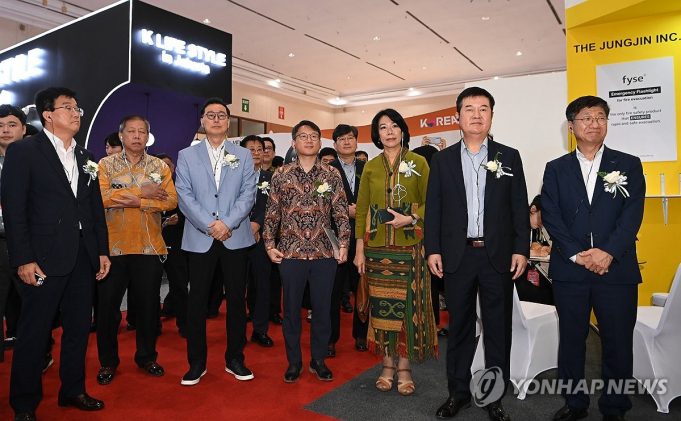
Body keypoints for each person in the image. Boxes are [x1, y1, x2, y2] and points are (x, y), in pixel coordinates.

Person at [1, 87, 111, 420]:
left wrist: (102, 251)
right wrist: (23, 258)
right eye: (68, 107)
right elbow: (15, 210)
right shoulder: (24, 151)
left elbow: (94, 209)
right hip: (42, 258)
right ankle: (24, 404)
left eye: (78, 108)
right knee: (34, 332)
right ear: (48, 114)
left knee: (78, 328)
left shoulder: (87, 156)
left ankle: (73, 390)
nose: (76, 113)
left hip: (82, 256)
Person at [425, 87, 529, 421]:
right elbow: (434, 209)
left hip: (497, 256)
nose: (477, 115)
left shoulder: (508, 156)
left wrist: (521, 249)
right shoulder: (442, 160)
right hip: (458, 255)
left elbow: (519, 207)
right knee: (459, 327)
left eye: (484, 109)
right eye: (469, 109)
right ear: (458, 116)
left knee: (498, 328)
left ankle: (494, 397)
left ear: (492, 116)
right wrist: (433, 249)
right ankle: (458, 393)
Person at [541, 95, 645, 421]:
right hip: (571, 271)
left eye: (600, 117)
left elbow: (632, 215)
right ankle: (575, 403)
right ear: (571, 126)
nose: (594, 123)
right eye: (586, 118)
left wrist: (608, 252)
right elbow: (551, 216)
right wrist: (577, 255)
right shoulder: (556, 169)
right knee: (572, 341)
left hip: (616, 269)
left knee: (617, 342)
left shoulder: (628, 164)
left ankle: (615, 406)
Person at [354, 108, 437, 397]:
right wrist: (360, 249)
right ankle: (386, 366)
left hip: (410, 247)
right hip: (377, 248)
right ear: (377, 135)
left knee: (407, 311)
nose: (389, 132)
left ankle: (404, 368)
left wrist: (411, 218)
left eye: (393, 126)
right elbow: (361, 209)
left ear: (402, 130)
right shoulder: (370, 167)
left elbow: (432, 201)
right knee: (381, 311)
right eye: (382, 127)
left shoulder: (419, 162)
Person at [175, 97, 256, 386]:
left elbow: (248, 194)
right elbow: (184, 195)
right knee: (197, 301)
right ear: (202, 120)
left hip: (235, 236)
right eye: (211, 115)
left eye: (222, 115)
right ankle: (196, 363)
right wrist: (211, 226)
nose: (216, 119)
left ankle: (235, 358)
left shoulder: (243, 155)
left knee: (236, 301)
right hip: (201, 237)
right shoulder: (187, 155)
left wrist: (227, 224)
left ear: (228, 121)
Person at [263, 120, 350, 383]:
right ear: (294, 142)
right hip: (290, 253)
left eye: (314, 136)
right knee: (291, 311)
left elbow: (341, 212)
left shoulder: (331, 174)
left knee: (323, 309)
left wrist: (344, 244)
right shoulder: (281, 174)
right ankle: (294, 362)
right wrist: (269, 245)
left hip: (324, 253)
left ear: (320, 142)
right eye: (303, 136)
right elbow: (272, 213)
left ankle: (318, 360)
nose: (309, 140)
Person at [95, 115, 177, 385]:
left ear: (148, 136)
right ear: (122, 135)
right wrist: (144, 192)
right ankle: (108, 362)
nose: (137, 136)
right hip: (113, 248)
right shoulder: (105, 165)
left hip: (148, 246)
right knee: (108, 309)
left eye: (142, 131)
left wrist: (137, 202)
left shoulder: (158, 166)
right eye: (131, 131)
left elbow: (171, 201)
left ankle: (147, 357)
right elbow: (101, 198)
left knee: (148, 308)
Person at [328, 124, 368, 356]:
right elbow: (320, 203)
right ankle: (330, 339)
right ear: (335, 144)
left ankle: (361, 335)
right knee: (332, 291)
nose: (346, 142)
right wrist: (345, 211)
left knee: (362, 287)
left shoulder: (367, 167)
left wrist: (360, 212)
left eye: (350, 138)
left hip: (363, 237)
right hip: (335, 239)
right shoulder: (326, 169)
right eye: (341, 139)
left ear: (356, 141)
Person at [240, 135, 274, 347]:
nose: (256, 152)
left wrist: (257, 224)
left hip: (262, 238)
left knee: (262, 284)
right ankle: (237, 331)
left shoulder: (271, 177)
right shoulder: (233, 176)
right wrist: (246, 226)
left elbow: (272, 205)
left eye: (259, 149)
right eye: (250, 149)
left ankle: (260, 330)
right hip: (236, 235)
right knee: (237, 286)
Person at [0, 104, 27, 362]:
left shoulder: (37, 161)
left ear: (24, 129)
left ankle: (39, 354)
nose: (5, 130)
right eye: (0, 126)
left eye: (11, 125)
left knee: (34, 305)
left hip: (29, 245)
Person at [155, 153, 189, 336]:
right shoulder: (146, 187)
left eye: (167, 165)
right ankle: (153, 326)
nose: (164, 168)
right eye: (160, 165)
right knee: (151, 287)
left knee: (179, 284)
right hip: (151, 244)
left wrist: (180, 219)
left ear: (174, 168)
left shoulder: (181, 188)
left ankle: (184, 324)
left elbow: (191, 212)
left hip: (176, 243)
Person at [515, 195, 553, 305]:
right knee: (546, 294)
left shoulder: (535, 227)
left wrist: (541, 248)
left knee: (552, 288)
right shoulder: (517, 224)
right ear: (533, 209)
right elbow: (512, 249)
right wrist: (536, 252)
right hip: (516, 274)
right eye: (542, 217)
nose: (543, 223)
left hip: (530, 270)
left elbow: (535, 244)